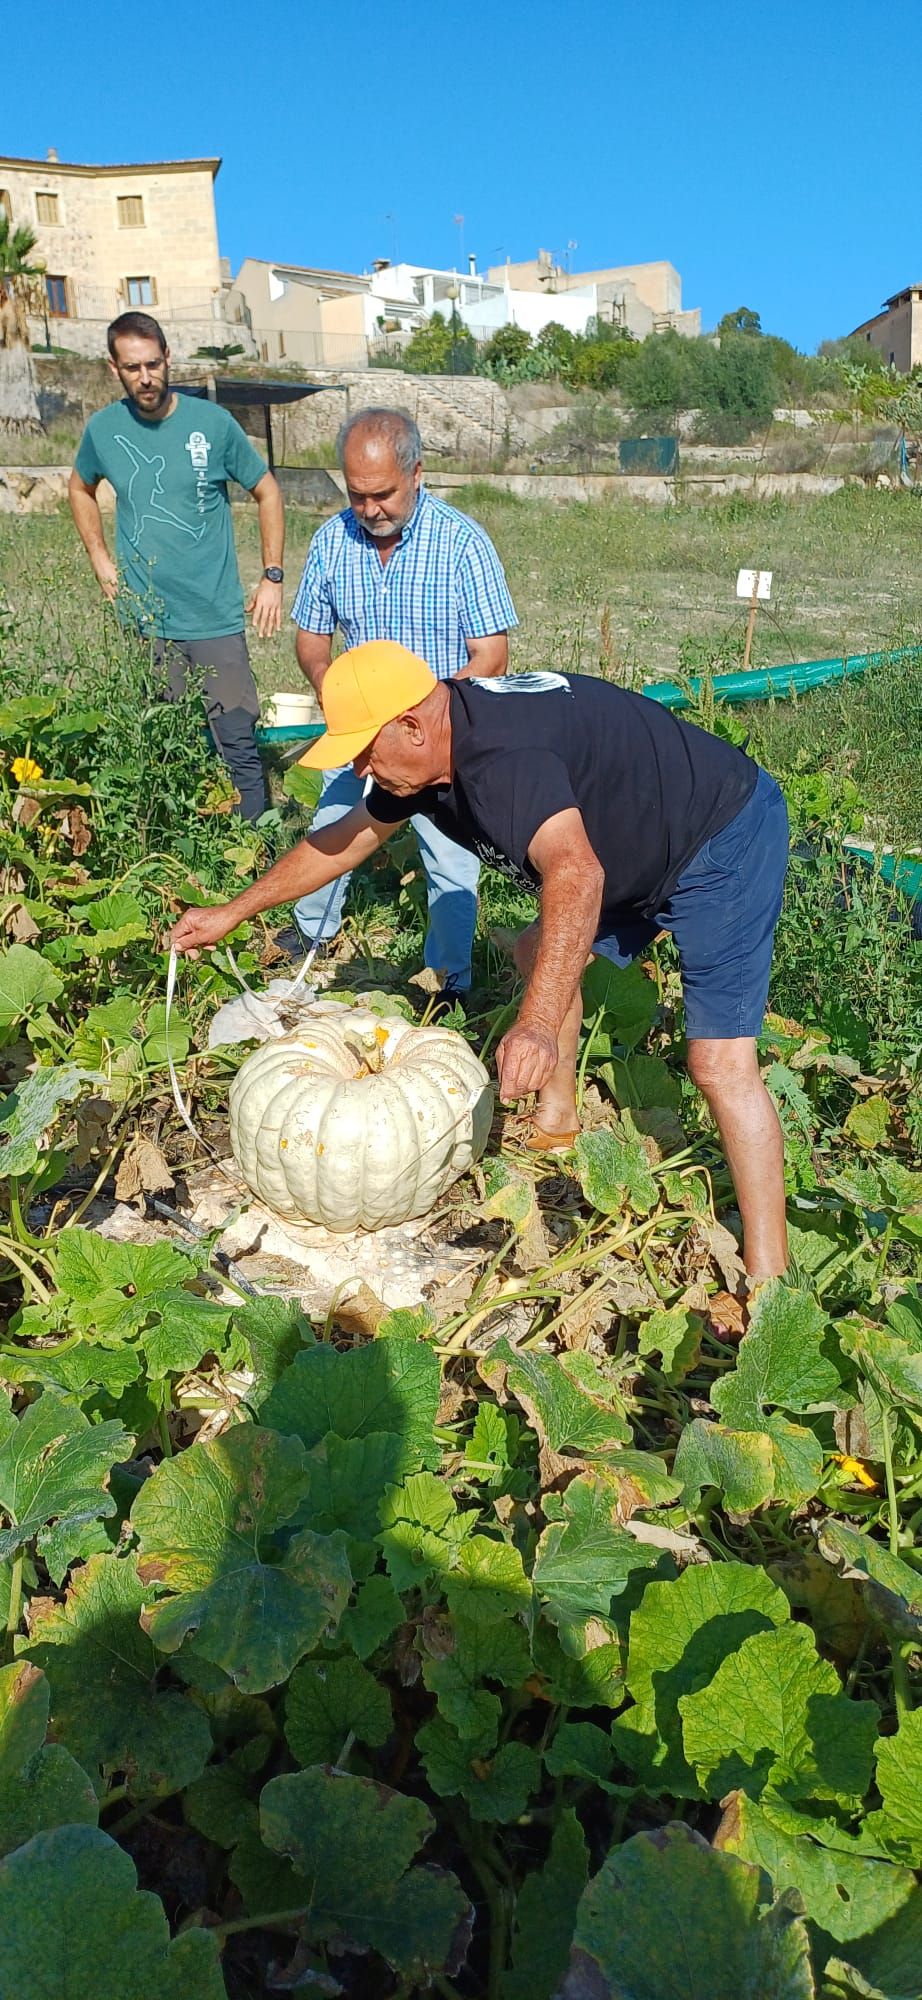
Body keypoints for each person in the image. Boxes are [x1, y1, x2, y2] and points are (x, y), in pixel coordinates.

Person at [172, 642, 791, 1279]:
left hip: (720, 836)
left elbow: (576, 876)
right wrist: (234, 911)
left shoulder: (499, 760)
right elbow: (343, 841)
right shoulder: (425, 754)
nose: (360, 766)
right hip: (632, 842)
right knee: (534, 952)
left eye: (364, 747)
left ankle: (770, 1277)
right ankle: (559, 1117)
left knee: (718, 1064)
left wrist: (537, 1026)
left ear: (411, 725)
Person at [287, 406, 517, 993]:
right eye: (357, 495)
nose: (370, 509)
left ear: (417, 473)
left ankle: (449, 985)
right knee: (330, 833)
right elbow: (311, 639)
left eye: (383, 494)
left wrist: (424, 727)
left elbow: (490, 656)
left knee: (452, 867)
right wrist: (331, 690)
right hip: (359, 737)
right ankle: (308, 953)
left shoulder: (463, 544)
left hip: (437, 743)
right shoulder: (331, 541)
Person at [68, 310, 286, 820]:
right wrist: (101, 558)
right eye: (131, 367)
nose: (145, 377)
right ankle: (182, 856)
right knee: (168, 746)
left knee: (237, 743)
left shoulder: (211, 425)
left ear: (169, 358)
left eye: (152, 363)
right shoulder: (103, 430)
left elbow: (267, 490)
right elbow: (80, 487)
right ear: (113, 369)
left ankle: (256, 852)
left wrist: (272, 575)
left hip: (212, 615)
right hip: (147, 621)